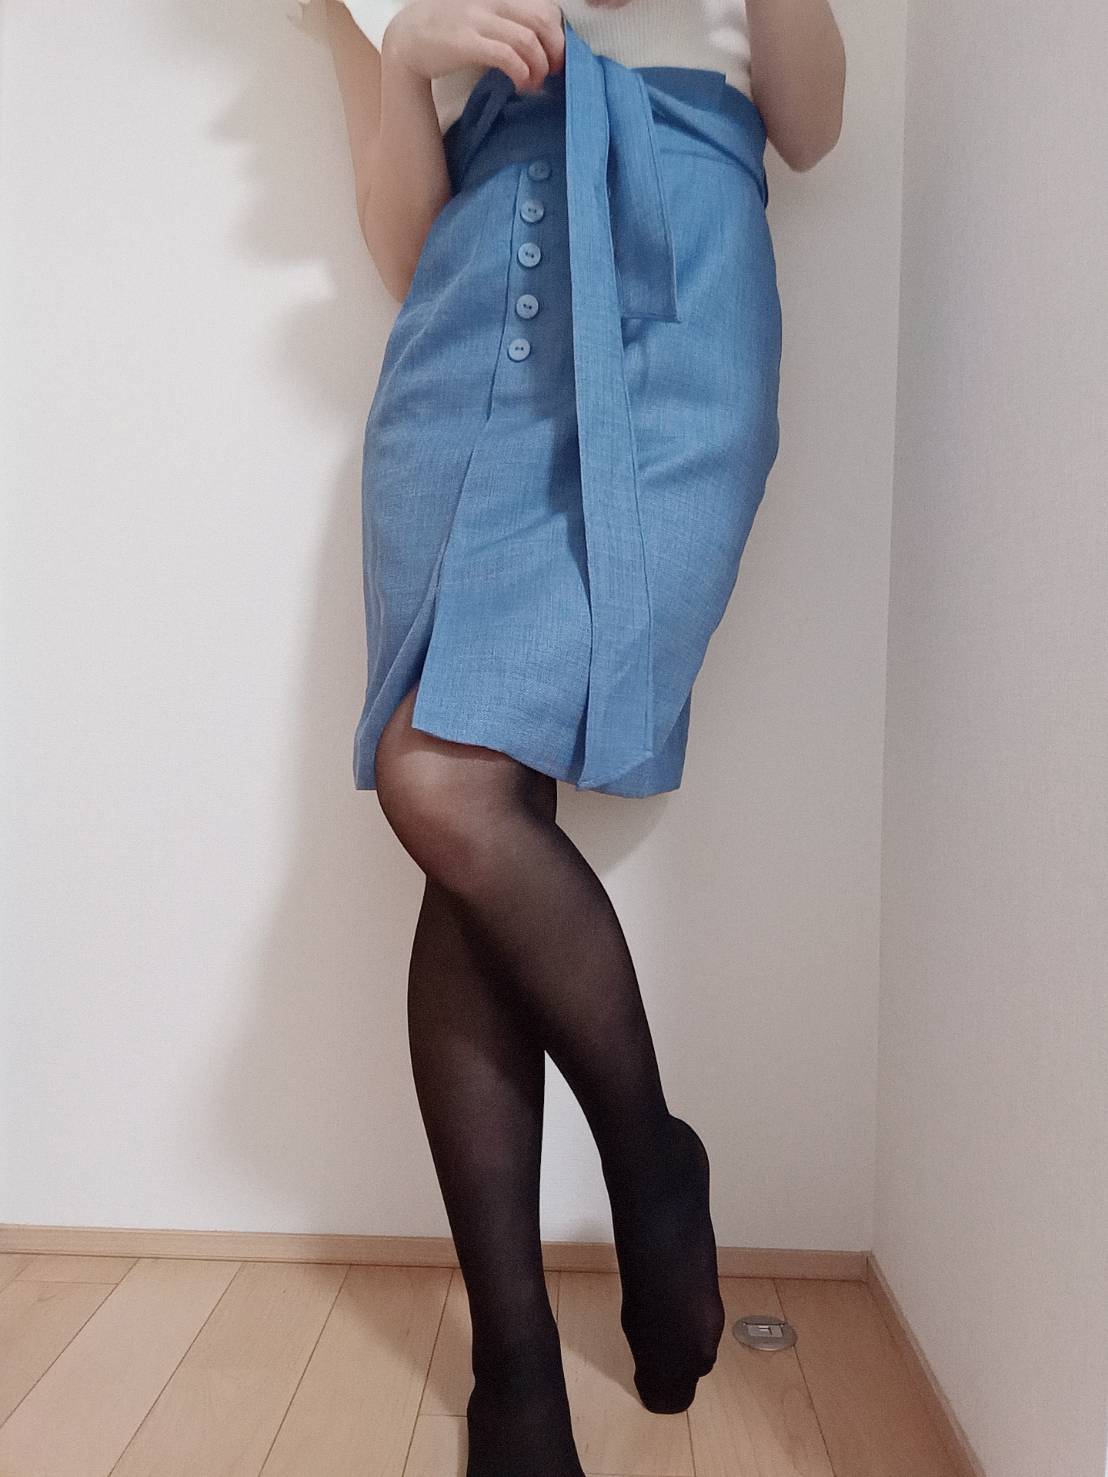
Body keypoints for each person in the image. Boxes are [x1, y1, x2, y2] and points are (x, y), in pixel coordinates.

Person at [322, 3, 845, 1473]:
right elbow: (399, 241)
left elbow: (812, 125)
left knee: (449, 783)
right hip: (465, 314)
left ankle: (626, 1200)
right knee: (454, 785)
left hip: (677, 279)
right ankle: (538, 1323)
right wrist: (404, 56)